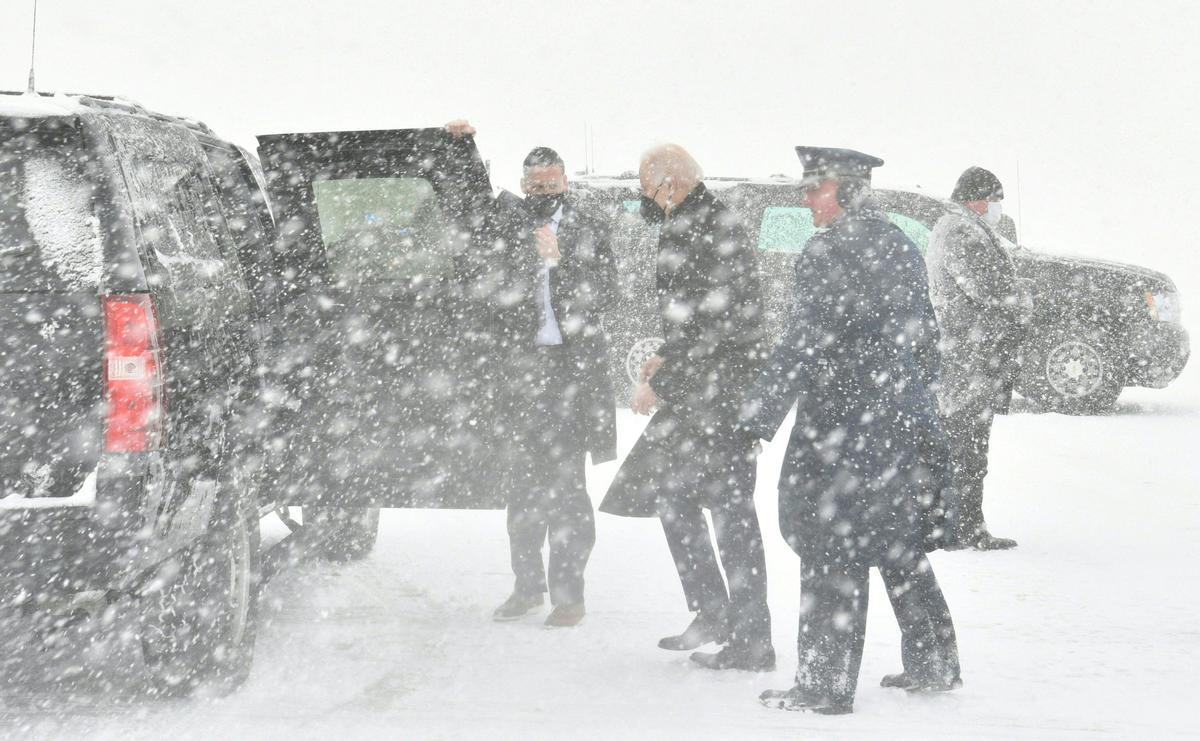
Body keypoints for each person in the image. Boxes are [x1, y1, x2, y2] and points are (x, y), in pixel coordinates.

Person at [744, 147, 961, 714]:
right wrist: (914, 398)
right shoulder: (898, 242)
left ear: (844, 191)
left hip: (844, 425)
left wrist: (757, 418)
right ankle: (935, 665)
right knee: (897, 542)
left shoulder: (828, 249)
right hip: (900, 420)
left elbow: (800, 343)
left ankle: (823, 684)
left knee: (830, 547)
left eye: (813, 190)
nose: (804, 200)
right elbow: (925, 335)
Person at [599, 144, 774, 671]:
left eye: (645, 186)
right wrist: (663, 358)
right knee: (674, 498)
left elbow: (715, 322)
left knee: (731, 516)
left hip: (719, 398)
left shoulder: (702, 225)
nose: (641, 196)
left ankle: (752, 640)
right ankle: (714, 613)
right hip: (707, 391)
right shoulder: (698, 220)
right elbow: (693, 319)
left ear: (669, 184)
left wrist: (664, 381)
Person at [447, 121, 618, 627]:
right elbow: (464, 200)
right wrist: (461, 147)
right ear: (524, 185)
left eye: (552, 184)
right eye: (535, 185)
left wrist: (559, 261)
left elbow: (608, 294)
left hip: (570, 375)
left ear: (565, 182)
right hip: (521, 375)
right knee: (521, 490)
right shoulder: (505, 222)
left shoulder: (590, 224)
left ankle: (570, 596)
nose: (543, 192)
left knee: (568, 492)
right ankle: (527, 587)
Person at [926, 166, 1023, 550]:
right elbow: (991, 290)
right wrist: (1022, 298)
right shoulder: (960, 231)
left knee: (963, 448)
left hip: (968, 359)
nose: (998, 207)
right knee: (966, 451)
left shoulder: (959, 228)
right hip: (967, 361)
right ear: (976, 199)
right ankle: (962, 528)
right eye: (995, 199)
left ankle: (954, 524)